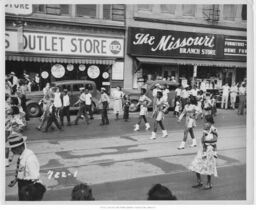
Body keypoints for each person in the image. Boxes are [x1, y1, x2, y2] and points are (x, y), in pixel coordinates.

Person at [7, 132, 41, 200]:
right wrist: (16, 179)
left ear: (20, 147)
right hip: (22, 185)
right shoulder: (22, 155)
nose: (12, 151)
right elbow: (21, 170)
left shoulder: (29, 159)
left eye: (13, 148)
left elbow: (35, 178)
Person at [189, 115, 218, 190]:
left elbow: (214, 140)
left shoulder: (214, 130)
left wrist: (205, 140)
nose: (205, 124)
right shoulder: (205, 129)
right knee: (196, 164)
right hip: (202, 150)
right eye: (204, 122)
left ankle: (209, 183)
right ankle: (199, 182)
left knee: (208, 166)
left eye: (206, 122)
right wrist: (203, 141)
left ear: (211, 122)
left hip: (209, 151)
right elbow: (203, 139)